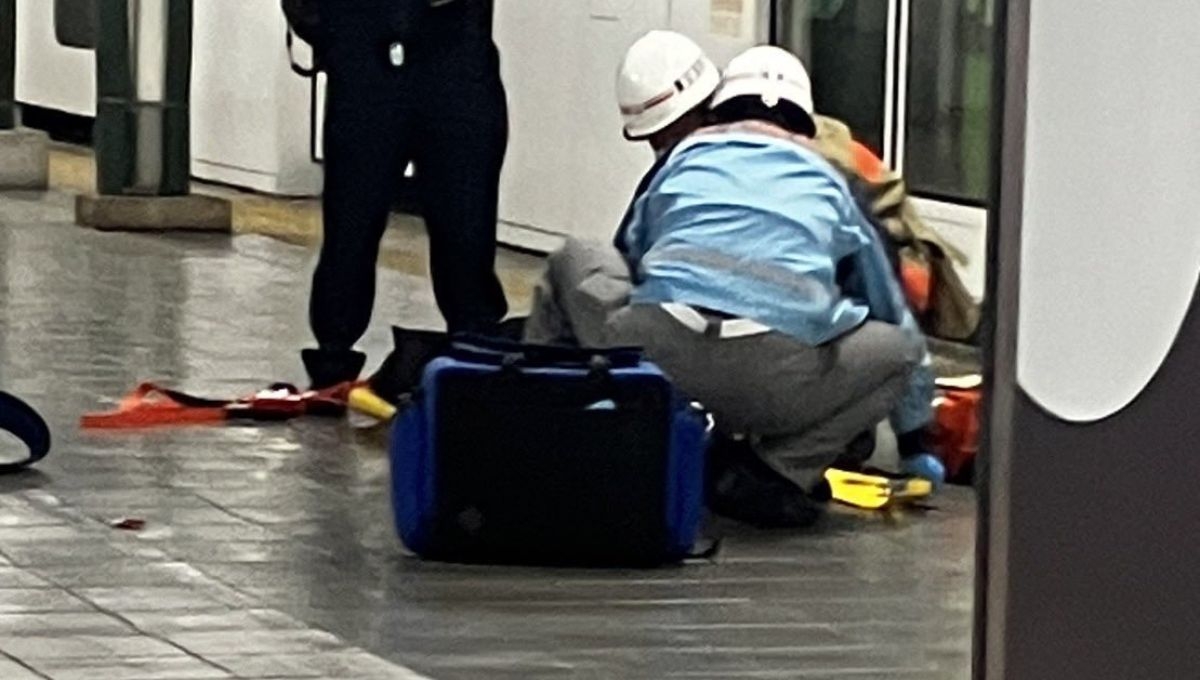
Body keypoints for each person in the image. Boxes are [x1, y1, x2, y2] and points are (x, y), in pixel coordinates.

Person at [528, 46, 940, 527]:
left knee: (573, 256)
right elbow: (890, 310)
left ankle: (545, 428)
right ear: (803, 121)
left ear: (718, 107)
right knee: (898, 349)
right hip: (776, 384)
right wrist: (914, 443)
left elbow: (631, 258)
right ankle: (772, 472)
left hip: (657, 362)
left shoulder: (679, 158)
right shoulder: (834, 178)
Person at [300, 0, 510, 389]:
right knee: (351, 224)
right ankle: (331, 360)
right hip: (367, 56)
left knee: (466, 227)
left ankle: (477, 360)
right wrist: (334, 36)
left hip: (456, 54)